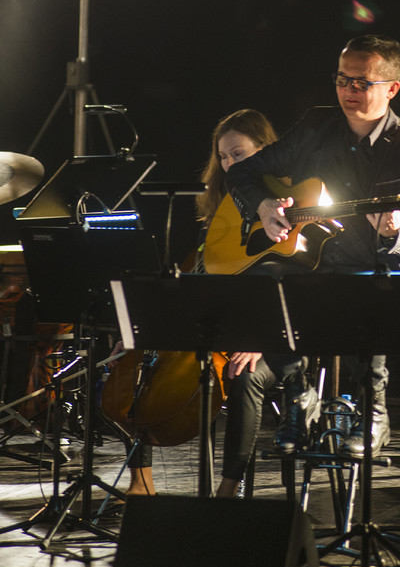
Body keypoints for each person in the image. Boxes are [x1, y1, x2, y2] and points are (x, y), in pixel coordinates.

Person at [224, 33, 400, 494]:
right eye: (342, 79)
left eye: (361, 83)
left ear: (392, 88)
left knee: (378, 287)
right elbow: (243, 171)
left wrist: (394, 230)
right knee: (257, 285)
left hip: (371, 274)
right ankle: (299, 392)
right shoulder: (314, 127)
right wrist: (263, 207)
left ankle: (372, 411)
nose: (348, 91)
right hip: (312, 267)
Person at [113, 108, 308, 498]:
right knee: (136, 366)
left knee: (244, 376)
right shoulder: (220, 204)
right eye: (223, 156)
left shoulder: (290, 203)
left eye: (238, 154)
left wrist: (258, 336)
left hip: (279, 334)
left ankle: (226, 489)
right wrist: (148, 329)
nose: (229, 163)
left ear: (267, 151)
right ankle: (141, 480)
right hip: (222, 327)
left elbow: (300, 287)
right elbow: (198, 278)